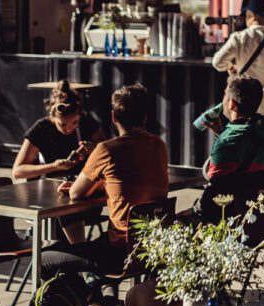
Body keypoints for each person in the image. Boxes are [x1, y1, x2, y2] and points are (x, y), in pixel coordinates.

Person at [42, 84, 169, 280]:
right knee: (93, 246)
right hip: (152, 246)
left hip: (120, 252)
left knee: (43, 260)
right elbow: (130, 180)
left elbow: (76, 193)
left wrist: (81, 184)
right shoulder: (159, 145)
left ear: (113, 117)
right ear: (145, 117)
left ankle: (100, 303)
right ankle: (107, 300)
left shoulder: (106, 149)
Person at [12, 80, 105, 243]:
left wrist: (94, 148)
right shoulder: (42, 129)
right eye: (63, 124)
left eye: (74, 123)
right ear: (53, 117)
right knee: (65, 212)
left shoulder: (87, 123)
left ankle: (74, 256)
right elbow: (18, 171)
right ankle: (75, 256)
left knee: (72, 208)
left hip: (82, 193)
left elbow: (109, 151)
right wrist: (54, 165)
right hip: (49, 195)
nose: (68, 128)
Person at [193, 74, 264, 224]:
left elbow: (211, 199)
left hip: (231, 221)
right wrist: (221, 134)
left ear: (231, 103)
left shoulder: (229, 140)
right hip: (260, 219)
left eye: (225, 95)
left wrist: (193, 210)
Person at [211, 3, 264, 145]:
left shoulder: (238, 38)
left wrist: (230, 66)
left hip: (244, 106)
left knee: (242, 147)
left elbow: (217, 62)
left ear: (252, 16)